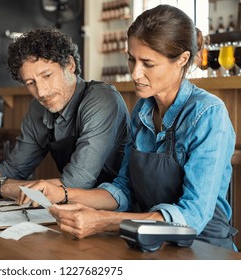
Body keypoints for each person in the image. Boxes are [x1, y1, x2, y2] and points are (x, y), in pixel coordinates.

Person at [21, 5, 237, 250]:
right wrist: (62, 194)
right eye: (131, 59)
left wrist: (104, 222)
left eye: (148, 63)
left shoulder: (208, 114)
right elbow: (124, 189)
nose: (135, 73)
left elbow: (192, 217)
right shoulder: (142, 111)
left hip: (203, 249)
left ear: (182, 60)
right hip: (149, 243)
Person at [0, 27, 130, 201]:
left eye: (47, 76)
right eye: (30, 83)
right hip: (74, 210)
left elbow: (76, 183)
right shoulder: (37, 108)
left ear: (70, 65)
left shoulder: (101, 99)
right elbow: (14, 168)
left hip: (118, 209)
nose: (41, 92)